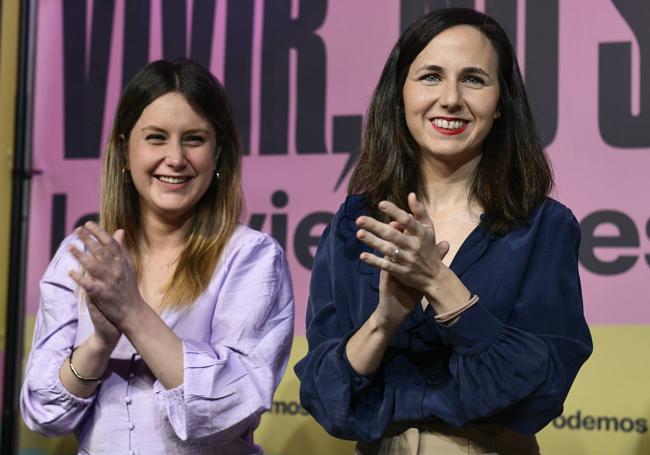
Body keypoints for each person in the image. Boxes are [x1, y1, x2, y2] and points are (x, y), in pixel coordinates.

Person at [295, 8, 592, 454]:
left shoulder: (543, 228)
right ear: (400, 96)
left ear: (500, 106)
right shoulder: (355, 223)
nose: (451, 98)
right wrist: (383, 321)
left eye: (473, 79)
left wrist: (439, 283)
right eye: (431, 76)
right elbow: (326, 398)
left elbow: (542, 393)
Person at [21, 59, 294, 454]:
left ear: (218, 153)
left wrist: (132, 312)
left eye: (194, 139)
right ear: (124, 149)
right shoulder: (81, 256)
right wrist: (99, 341)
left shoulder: (252, 258)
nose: (175, 158)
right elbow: (45, 413)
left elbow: (231, 407)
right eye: (156, 137)